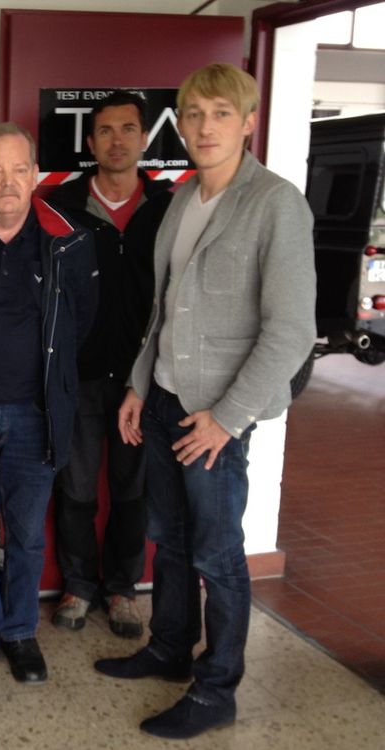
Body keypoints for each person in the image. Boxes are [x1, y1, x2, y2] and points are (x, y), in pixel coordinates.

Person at [94, 64, 316, 740]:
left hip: (216, 418)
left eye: (221, 113)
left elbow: (290, 332)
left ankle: (217, 689)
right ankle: (169, 649)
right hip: (165, 401)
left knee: (218, 555)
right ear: (181, 125)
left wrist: (227, 419)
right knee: (169, 539)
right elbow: (163, 312)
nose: (206, 126)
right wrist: (139, 386)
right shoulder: (184, 198)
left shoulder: (274, 203)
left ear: (248, 122)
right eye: (194, 114)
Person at [0, 122, 97, 693]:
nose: (6, 183)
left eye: (17, 170)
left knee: (28, 535)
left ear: (34, 175)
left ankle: (20, 633)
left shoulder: (67, 243)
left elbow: (83, 324)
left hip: (37, 415)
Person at [50, 91, 173, 637]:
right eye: (105, 130)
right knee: (76, 490)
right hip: (78, 376)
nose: (117, 141)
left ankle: (122, 590)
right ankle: (78, 587)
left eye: (127, 129)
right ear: (90, 141)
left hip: (142, 379)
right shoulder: (62, 205)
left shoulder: (168, 206)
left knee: (132, 492)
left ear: (144, 138)